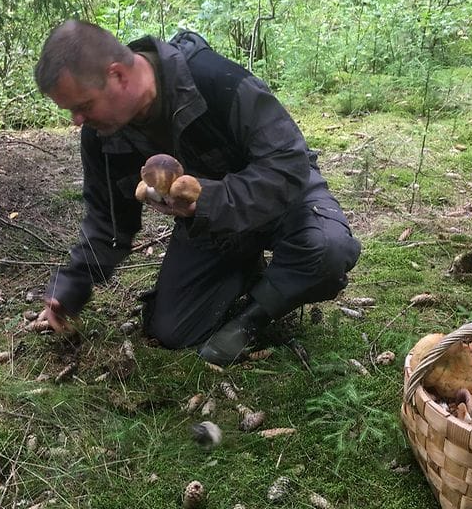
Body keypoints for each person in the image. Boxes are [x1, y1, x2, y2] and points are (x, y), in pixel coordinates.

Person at [33, 19, 361, 366]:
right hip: (214, 227)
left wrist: (207, 201)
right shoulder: (103, 136)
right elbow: (107, 219)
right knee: (173, 330)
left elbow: (287, 163)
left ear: (117, 75)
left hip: (283, 200)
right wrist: (72, 286)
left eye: (83, 105)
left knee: (327, 251)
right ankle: (246, 270)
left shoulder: (215, 80)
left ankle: (253, 317)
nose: (76, 120)